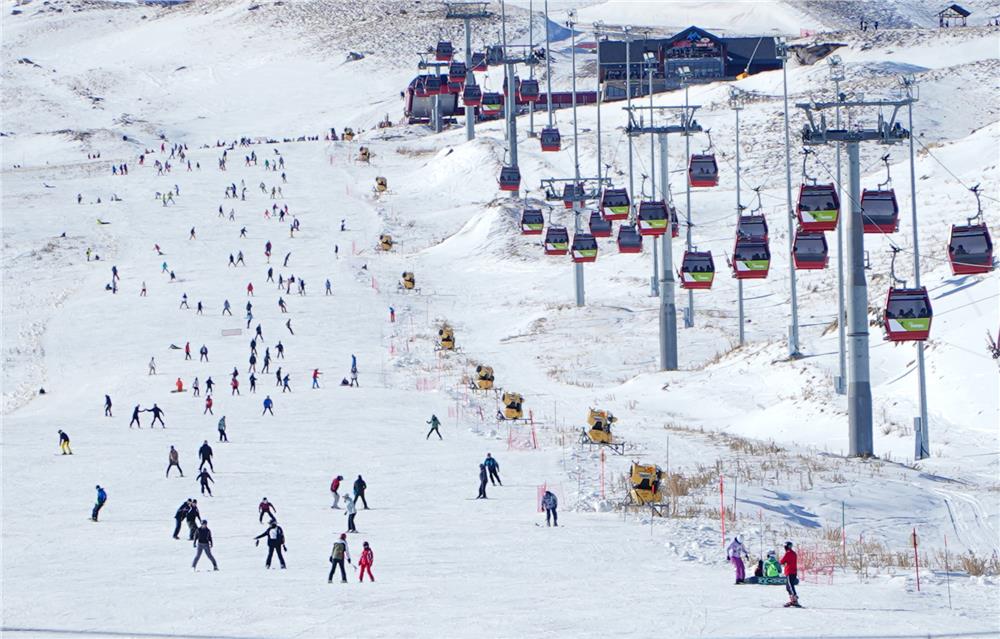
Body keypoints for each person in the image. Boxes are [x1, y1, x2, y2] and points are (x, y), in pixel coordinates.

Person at [780, 541, 800, 607]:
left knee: (790, 586)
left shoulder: (788, 553)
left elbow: (782, 561)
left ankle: (794, 598)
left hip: (789, 572)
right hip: (793, 572)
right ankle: (793, 600)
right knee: (788, 587)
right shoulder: (794, 553)